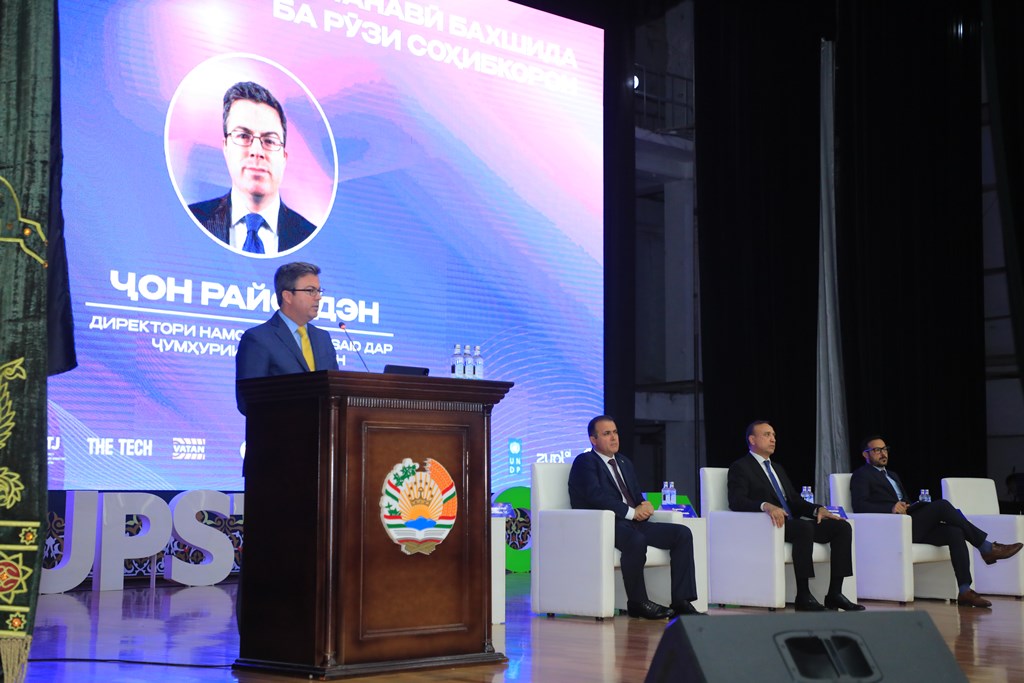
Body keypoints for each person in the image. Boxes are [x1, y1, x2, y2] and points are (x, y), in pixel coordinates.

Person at [850, 436, 1023, 608]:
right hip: (893, 527)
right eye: (877, 450)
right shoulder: (861, 475)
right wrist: (891, 508)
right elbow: (859, 505)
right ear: (865, 454)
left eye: (885, 449)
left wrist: (910, 505)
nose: (883, 453)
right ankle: (986, 547)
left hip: (910, 521)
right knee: (942, 505)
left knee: (955, 531)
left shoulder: (893, 475)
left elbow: (905, 500)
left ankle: (965, 590)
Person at [567, 416, 702, 619]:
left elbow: (636, 496)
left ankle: (681, 600)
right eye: (606, 434)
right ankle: (638, 602)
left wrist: (645, 505)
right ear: (593, 440)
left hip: (633, 523)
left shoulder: (624, 462)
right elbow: (595, 496)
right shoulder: (585, 461)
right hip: (605, 523)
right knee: (636, 540)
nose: (614, 438)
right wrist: (631, 512)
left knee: (682, 534)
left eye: (615, 432)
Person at [728, 420, 864, 611]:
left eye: (774, 435)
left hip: (793, 523)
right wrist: (765, 506)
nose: (773, 439)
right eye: (767, 435)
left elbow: (794, 501)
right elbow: (736, 501)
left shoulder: (777, 468)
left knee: (841, 527)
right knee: (803, 527)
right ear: (752, 439)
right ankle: (803, 595)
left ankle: (835, 593)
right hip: (768, 525)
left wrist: (818, 510)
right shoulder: (741, 467)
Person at [189, 81, 316, 254]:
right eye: (243, 136)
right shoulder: (192, 220)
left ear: (284, 158)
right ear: (225, 147)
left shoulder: (310, 236)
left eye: (269, 141)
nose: (257, 151)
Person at [235, 261, 339, 418]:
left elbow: (335, 393)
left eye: (319, 291)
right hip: (279, 430)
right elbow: (247, 401)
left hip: (323, 431)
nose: (318, 297)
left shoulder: (323, 338)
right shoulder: (258, 339)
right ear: (287, 296)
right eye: (310, 291)